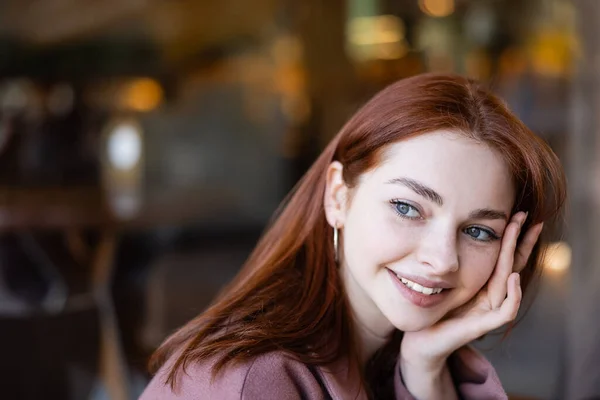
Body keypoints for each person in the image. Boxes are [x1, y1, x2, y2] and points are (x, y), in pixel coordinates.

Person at [140, 73, 566, 399]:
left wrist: (425, 371)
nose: (442, 260)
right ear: (339, 197)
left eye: (477, 231)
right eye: (407, 208)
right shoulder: (256, 380)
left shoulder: (397, 362)